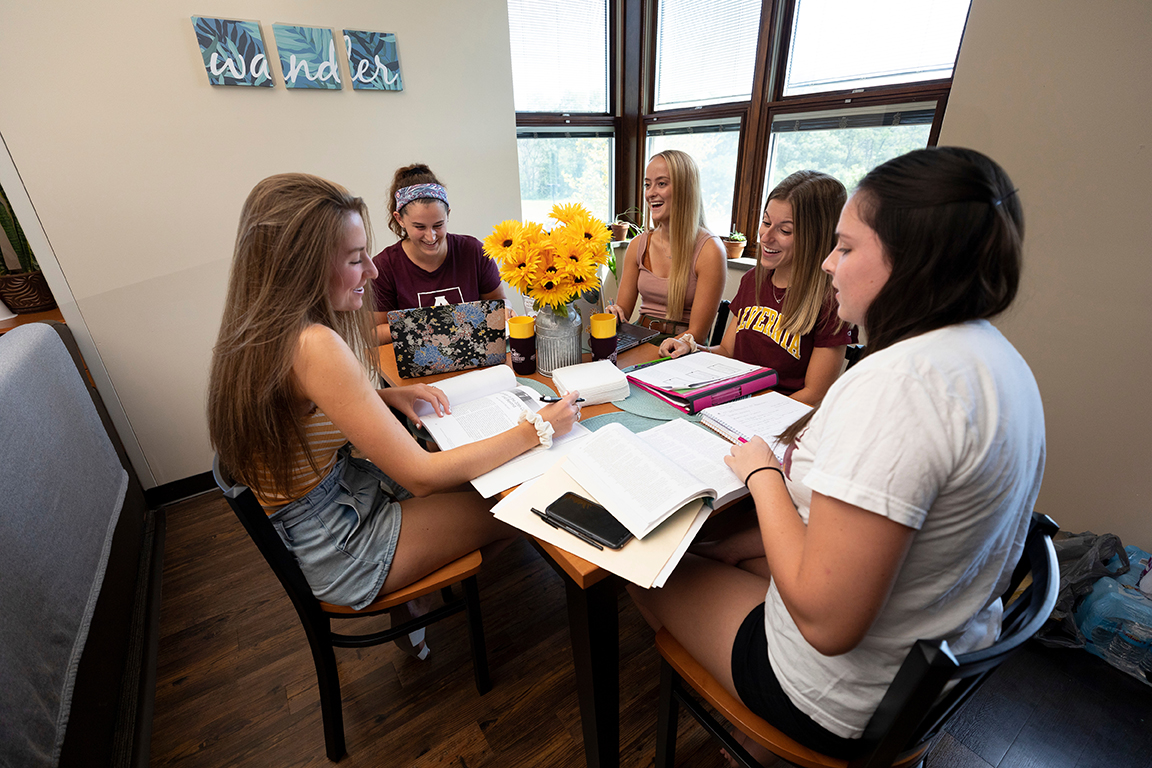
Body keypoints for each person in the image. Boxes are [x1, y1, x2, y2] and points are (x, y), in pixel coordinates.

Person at [628, 147, 1044, 765]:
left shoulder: (901, 387)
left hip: (837, 698)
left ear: (911, 261)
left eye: (845, 248)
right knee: (729, 554)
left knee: (645, 561)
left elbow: (826, 622)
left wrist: (764, 472)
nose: (828, 263)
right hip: (923, 663)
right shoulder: (998, 361)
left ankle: (761, 740)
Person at [208, 173, 580, 658]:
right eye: (354, 259)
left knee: (476, 480)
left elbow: (304, 410)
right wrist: (538, 427)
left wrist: (383, 398)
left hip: (323, 510)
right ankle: (417, 590)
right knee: (519, 506)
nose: (374, 271)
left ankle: (421, 584)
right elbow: (421, 476)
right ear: (301, 267)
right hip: (338, 539)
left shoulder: (261, 328)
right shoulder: (314, 344)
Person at [658, 170, 853, 405]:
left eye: (785, 230)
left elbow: (815, 394)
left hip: (776, 416)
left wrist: (752, 410)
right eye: (766, 222)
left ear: (816, 238)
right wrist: (691, 347)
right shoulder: (753, 279)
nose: (766, 237)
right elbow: (728, 352)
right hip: (732, 401)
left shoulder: (832, 300)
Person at [372, 164, 506, 344]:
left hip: (475, 363)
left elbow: (500, 305)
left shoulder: (473, 252)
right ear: (399, 219)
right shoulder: (384, 267)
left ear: (448, 214)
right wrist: (430, 324)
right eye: (419, 227)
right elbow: (374, 334)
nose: (431, 236)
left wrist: (507, 311)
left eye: (438, 225)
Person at [605, 150, 726, 342]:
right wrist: (615, 313)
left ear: (685, 189)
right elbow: (623, 315)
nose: (650, 193)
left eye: (661, 184)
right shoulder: (638, 244)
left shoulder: (710, 250)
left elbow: (698, 334)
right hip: (640, 336)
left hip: (681, 345)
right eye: (647, 184)